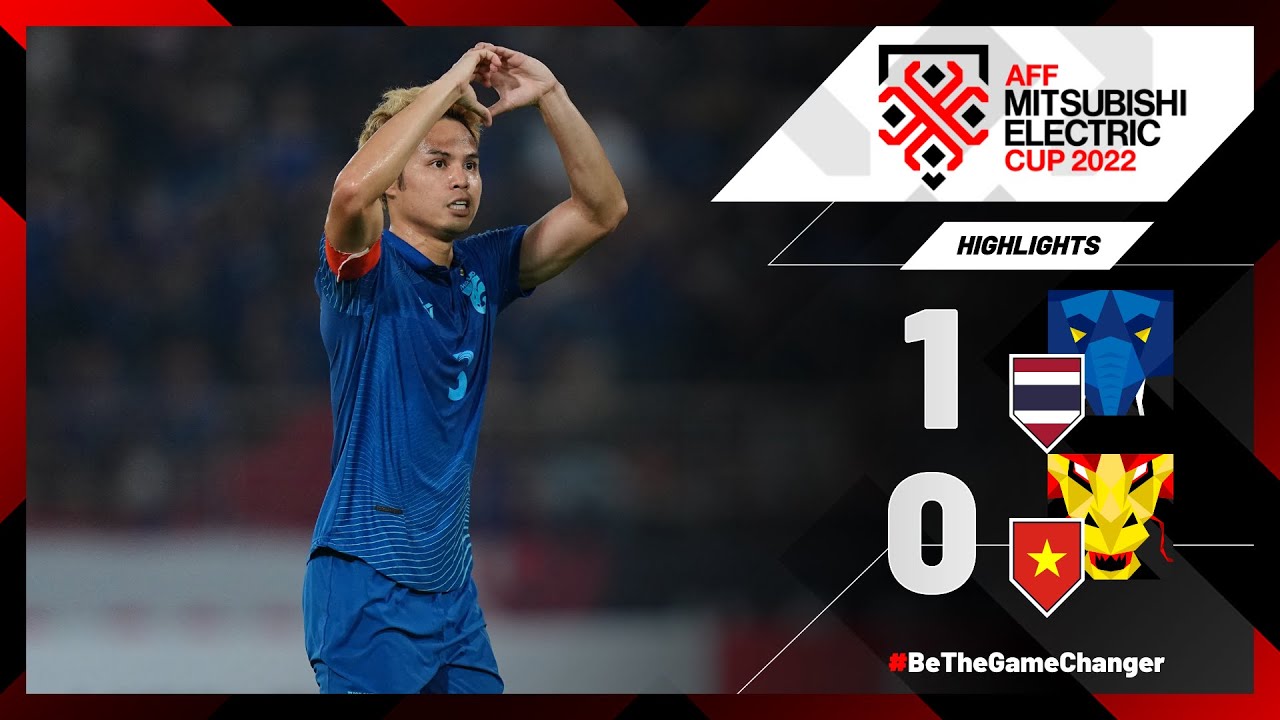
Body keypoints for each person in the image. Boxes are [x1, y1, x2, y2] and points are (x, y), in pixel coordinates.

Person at [302, 41, 627, 694]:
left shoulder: (484, 269)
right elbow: (351, 191)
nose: (463, 179)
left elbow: (601, 211)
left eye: (472, 164)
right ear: (394, 181)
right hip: (366, 581)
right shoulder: (363, 274)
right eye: (439, 162)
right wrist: (451, 82)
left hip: (453, 596)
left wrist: (553, 95)